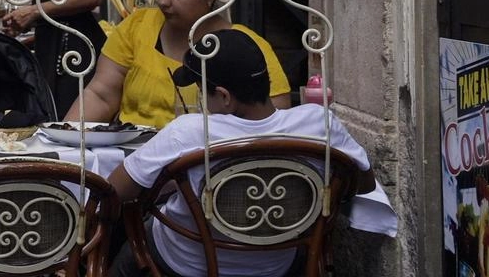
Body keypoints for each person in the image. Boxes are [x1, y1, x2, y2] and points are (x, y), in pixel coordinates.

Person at [108, 30, 374, 277]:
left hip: (187, 264)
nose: (202, 100)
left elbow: (114, 192)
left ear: (224, 97)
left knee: (129, 248)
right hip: (275, 265)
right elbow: (363, 184)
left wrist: (173, 183)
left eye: (202, 91)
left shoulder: (189, 132)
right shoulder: (319, 123)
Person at [63, 0, 291, 128]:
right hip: (133, 156)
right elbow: (101, 94)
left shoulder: (246, 46)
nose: (163, 0)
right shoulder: (139, 25)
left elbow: (274, 114)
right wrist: (66, 141)